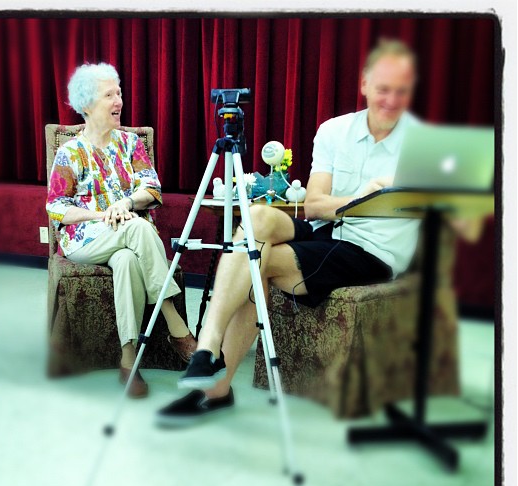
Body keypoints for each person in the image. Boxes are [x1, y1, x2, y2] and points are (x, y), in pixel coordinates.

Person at [156, 39, 421, 426]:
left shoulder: (421, 144)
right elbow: (314, 205)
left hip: (371, 251)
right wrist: (361, 198)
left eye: (401, 91)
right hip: (325, 230)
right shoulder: (334, 131)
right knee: (258, 218)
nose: (391, 100)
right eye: (383, 88)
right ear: (365, 84)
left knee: (254, 258)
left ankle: (215, 389)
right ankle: (208, 347)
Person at [46, 62, 196, 398]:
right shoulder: (69, 152)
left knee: (128, 258)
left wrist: (125, 204)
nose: (119, 101)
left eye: (120, 93)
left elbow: (153, 190)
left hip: (127, 233)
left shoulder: (130, 144)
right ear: (87, 105)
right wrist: (100, 214)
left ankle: (128, 360)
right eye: (109, 95)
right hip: (84, 238)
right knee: (139, 230)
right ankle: (176, 325)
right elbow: (55, 205)